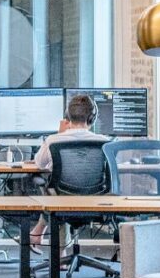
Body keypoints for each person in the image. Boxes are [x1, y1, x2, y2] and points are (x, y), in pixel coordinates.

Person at [29, 93, 111, 243]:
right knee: (58, 195)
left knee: (53, 192)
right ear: (92, 118)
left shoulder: (54, 140)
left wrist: (59, 135)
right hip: (95, 199)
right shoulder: (106, 142)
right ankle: (42, 237)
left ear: (68, 116)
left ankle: (53, 248)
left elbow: (39, 163)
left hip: (62, 200)